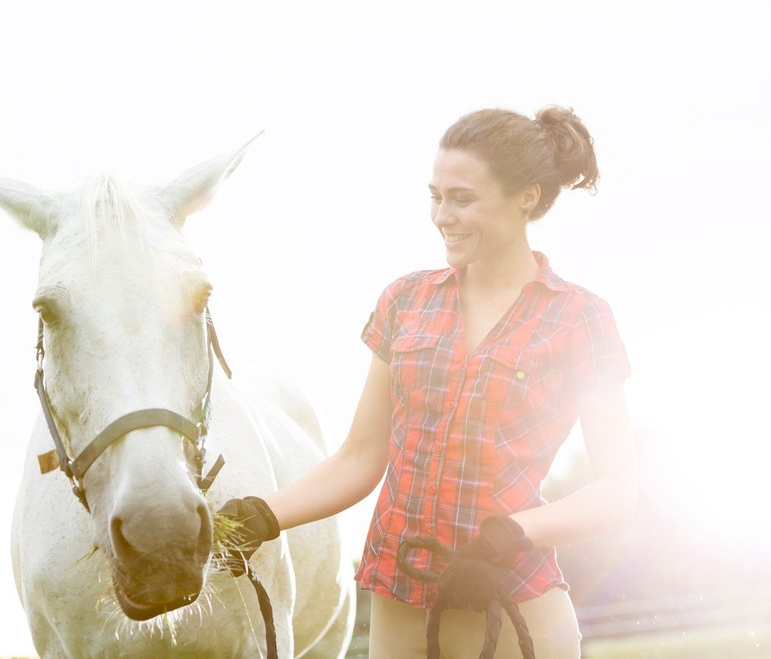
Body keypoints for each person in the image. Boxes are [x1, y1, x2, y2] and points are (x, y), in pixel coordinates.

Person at [220, 104, 636, 658]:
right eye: (436, 196)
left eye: (462, 198)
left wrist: (511, 535)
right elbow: (360, 458)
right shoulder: (406, 301)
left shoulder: (579, 317)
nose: (443, 215)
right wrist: (262, 516)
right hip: (399, 604)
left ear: (527, 197)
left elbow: (618, 490)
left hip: (514, 610)